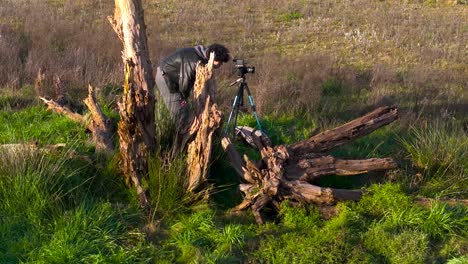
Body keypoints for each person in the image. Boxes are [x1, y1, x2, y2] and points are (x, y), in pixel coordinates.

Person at [155, 43, 231, 131]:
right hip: (166, 79)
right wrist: (184, 100)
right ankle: (182, 138)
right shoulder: (193, 61)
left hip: (174, 80)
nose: (221, 65)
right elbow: (185, 84)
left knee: (185, 109)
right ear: (212, 57)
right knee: (180, 112)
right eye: (220, 62)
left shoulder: (200, 57)